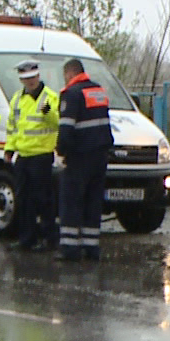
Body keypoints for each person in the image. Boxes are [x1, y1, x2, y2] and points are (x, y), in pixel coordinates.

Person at [54, 57, 112, 261]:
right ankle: (91, 247)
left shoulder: (70, 94)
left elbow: (66, 129)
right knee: (93, 201)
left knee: (71, 201)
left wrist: (62, 152)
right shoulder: (98, 91)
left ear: (70, 74)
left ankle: (70, 248)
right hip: (100, 155)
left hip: (79, 156)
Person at [3, 59, 61, 251]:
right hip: (23, 156)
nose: (30, 81)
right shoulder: (17, 100)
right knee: (23, 199)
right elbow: (12, 128)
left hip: (42, 156)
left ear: (38, 75)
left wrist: (47, 111)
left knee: (44, 199)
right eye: (26, 78)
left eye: (33, 77)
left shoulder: (50, 97)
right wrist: (9, 149)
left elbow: (57, 123)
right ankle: (27, 238)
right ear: (21, 80)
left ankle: (48, 238)